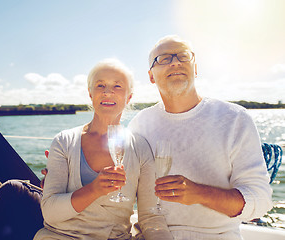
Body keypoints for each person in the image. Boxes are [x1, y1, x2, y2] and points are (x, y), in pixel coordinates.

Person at [127, 35, 273, 239]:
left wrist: (199, 194)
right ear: (151, 76)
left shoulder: (234, 119)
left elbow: (260, 201)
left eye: (183, 56)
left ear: (195, 68)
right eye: (164, 58)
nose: (176, 62)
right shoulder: (139, 124)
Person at [32, 58, 171, 240]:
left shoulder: (140, 147)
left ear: (129, 97)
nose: (107, 92)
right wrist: (95, 189)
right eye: (100, 86)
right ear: (90, 94)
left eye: (117, 86)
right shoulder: (64, 141)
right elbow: (50, 213)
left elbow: (150, 217)